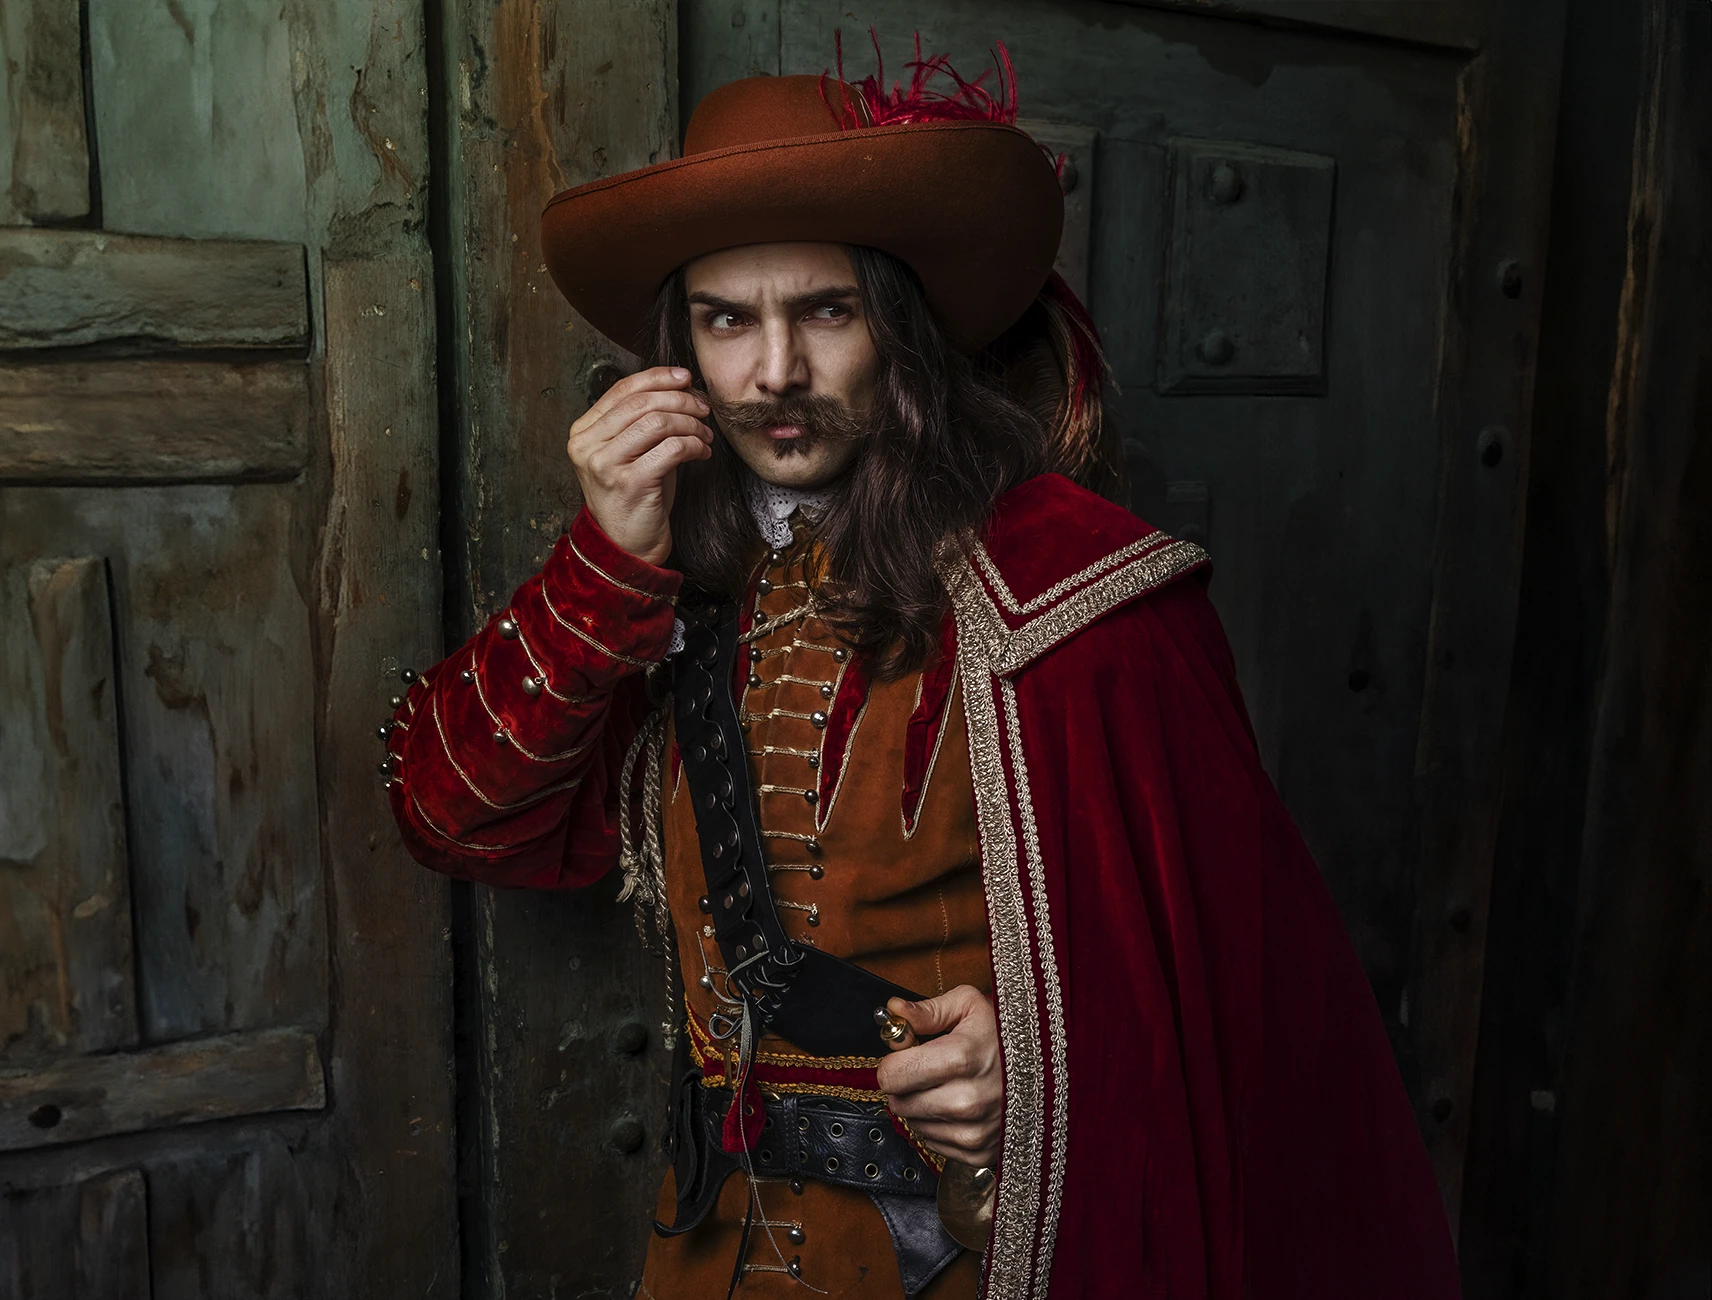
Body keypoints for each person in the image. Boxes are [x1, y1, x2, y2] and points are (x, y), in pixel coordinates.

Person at [382, 41, 1461, 1300]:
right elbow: (453, 816)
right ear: (681, 352)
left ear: (902, 330)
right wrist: (602, 564)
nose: (774, 373)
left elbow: (1237, 1008)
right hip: (705, 1255)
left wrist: (1036, 1077)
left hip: (970, 1257)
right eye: (730, 320)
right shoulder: (674, 588)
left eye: (824, 311)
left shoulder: (1081, 594)